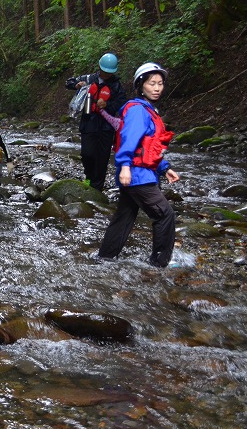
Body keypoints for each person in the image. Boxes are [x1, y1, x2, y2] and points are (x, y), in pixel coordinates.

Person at [98, 63, 179, 268]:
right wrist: (124, 165)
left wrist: (164, 168)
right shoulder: (137, 111)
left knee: (125, 216)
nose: (157, 88)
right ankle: (159, 264)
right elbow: (129, 139)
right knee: (164, 215)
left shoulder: (149, 110)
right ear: (141, 85)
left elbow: (150, 148)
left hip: (141, 172)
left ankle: (105, 259)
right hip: (136, 175)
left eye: (160, 83)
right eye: (152, 83)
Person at [65, 53, 126, 190]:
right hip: (88, 123)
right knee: (87, 154)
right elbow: (68, 82)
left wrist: (107, 105)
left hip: (106, 126)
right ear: (100, 67)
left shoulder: (116, 85)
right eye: (104, 71)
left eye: (109, 72)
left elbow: (121, 103)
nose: (106, 74)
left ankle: (97, 188)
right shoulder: (89, 79)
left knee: (102, 158)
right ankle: (88, 178)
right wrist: (76, 85)